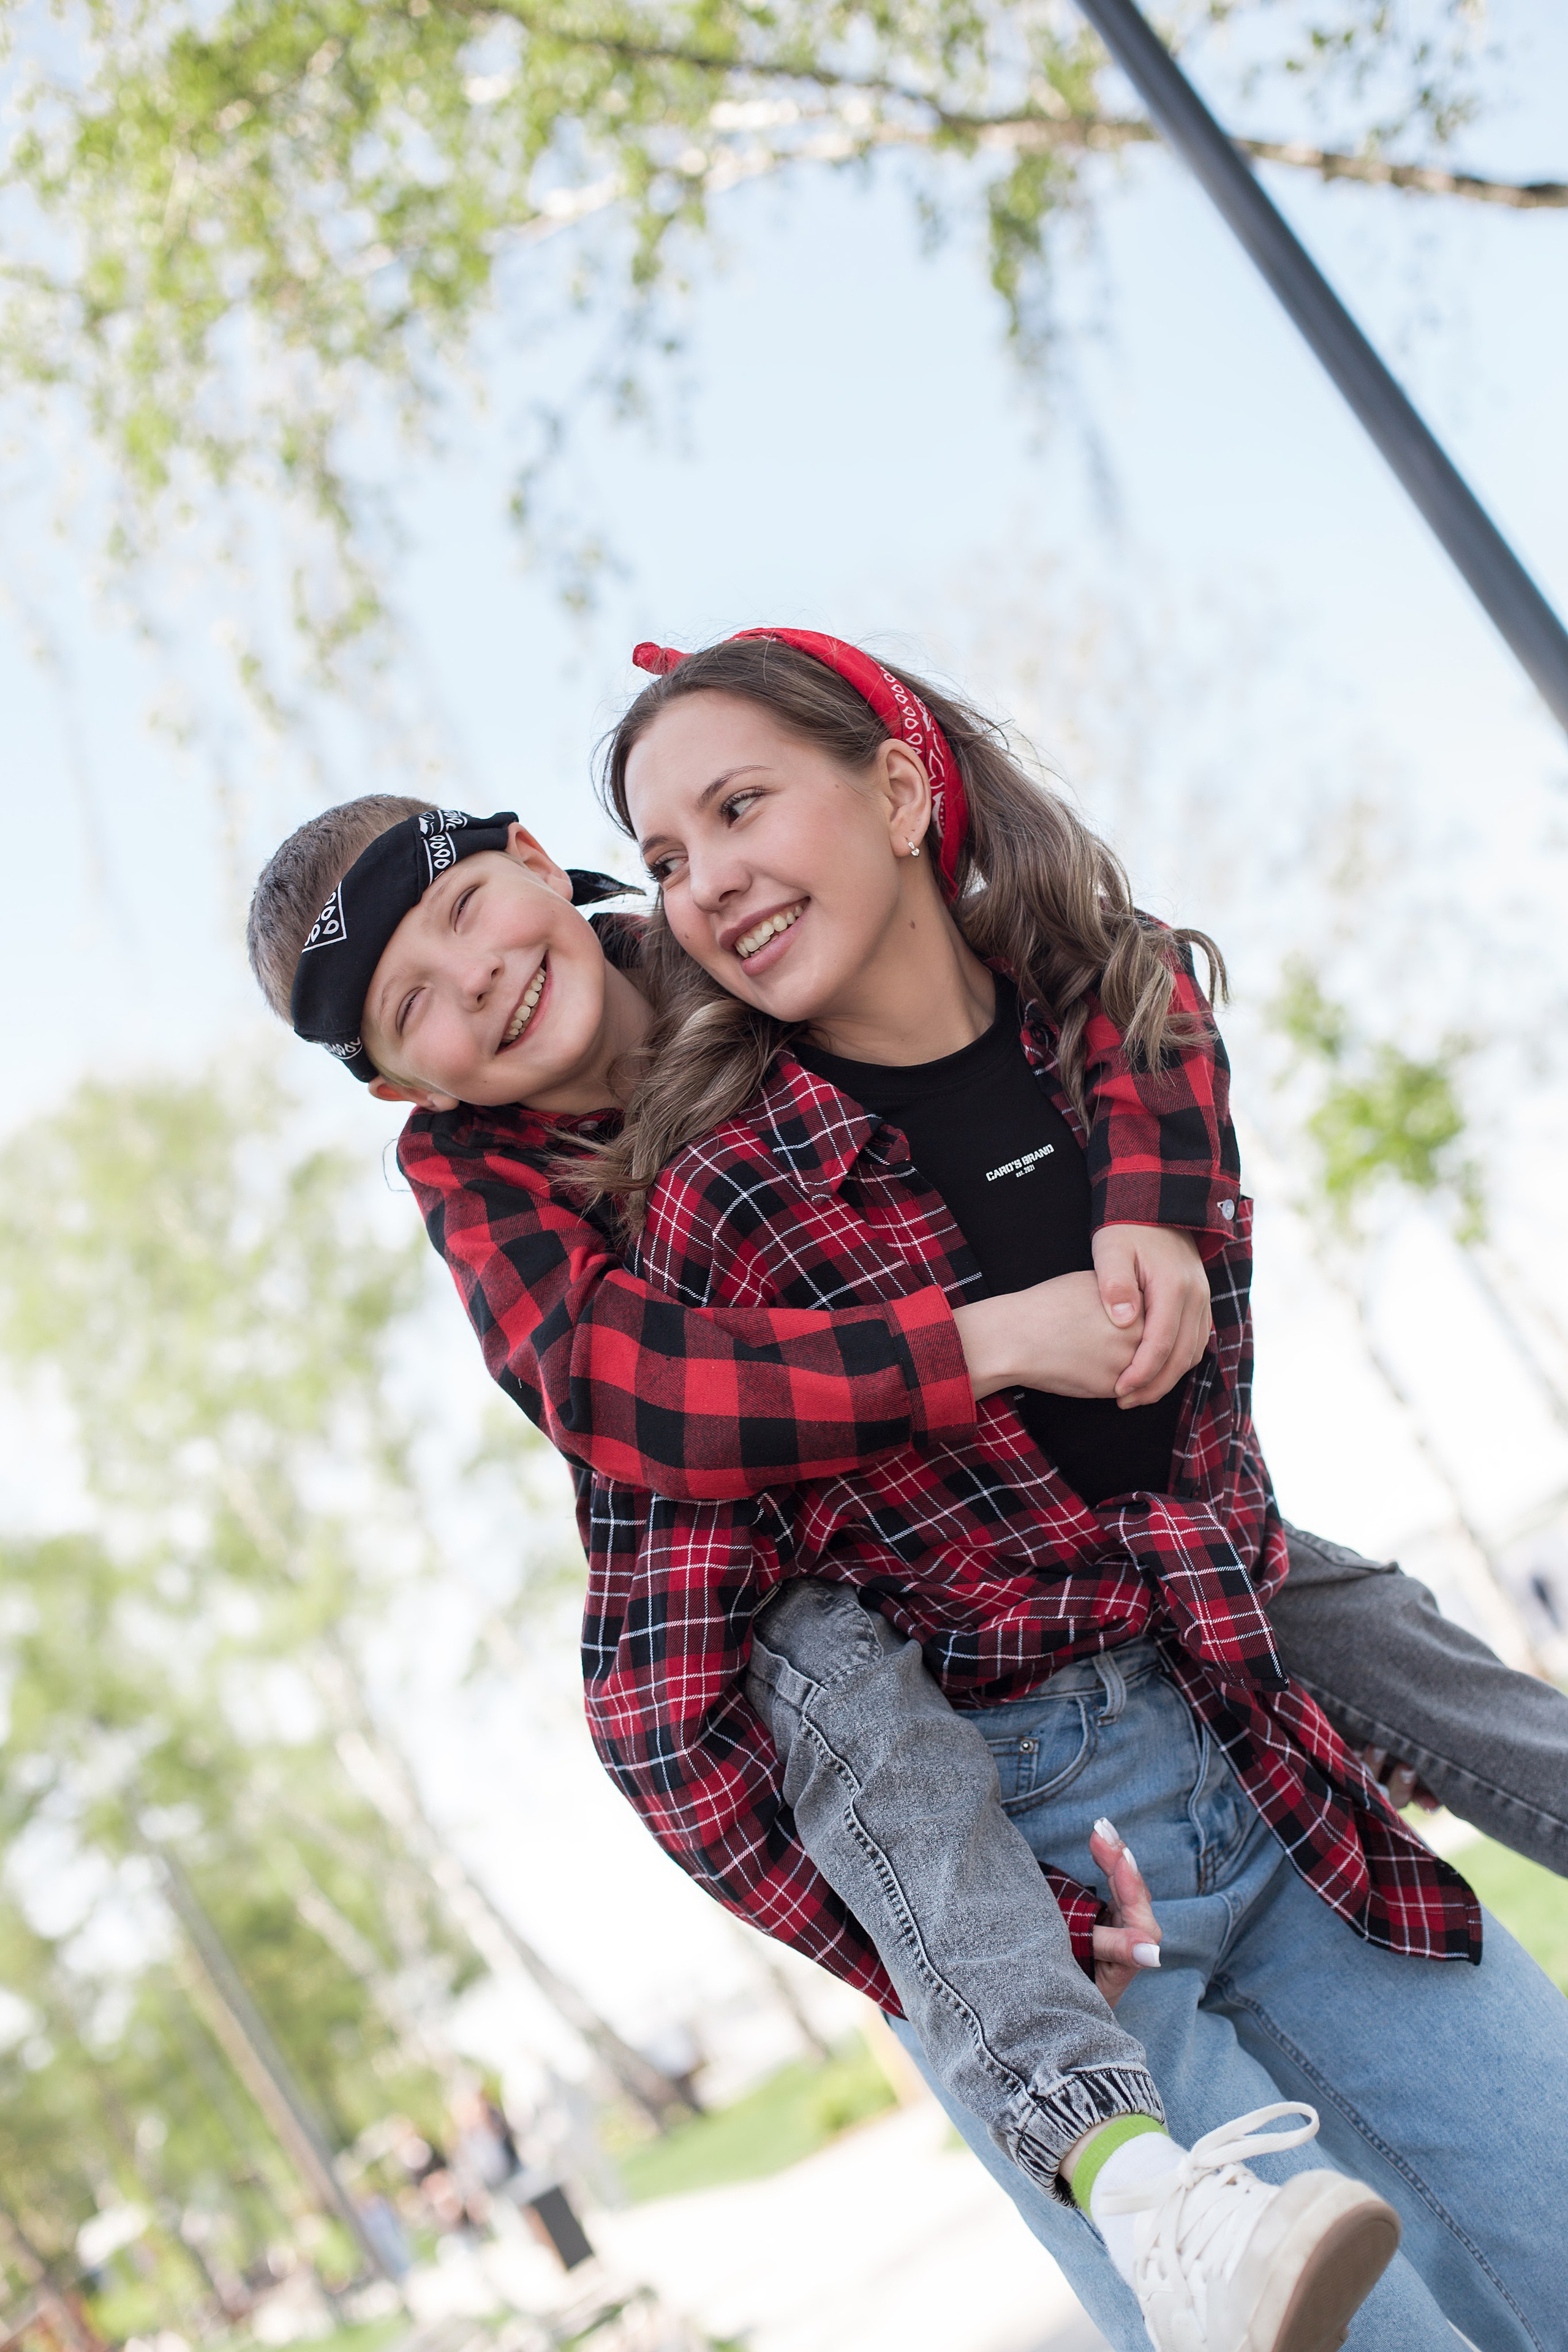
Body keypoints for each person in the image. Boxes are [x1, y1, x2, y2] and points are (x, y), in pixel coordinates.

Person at [248, 657, 1568, 2348]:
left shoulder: (754, 941)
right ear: (397, 1090)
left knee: (1382, 1657)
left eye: (468, 911)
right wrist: (949, 1970)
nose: (478, 982)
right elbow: (641, 1413)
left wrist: (1153, 1208)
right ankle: (1124, 2159)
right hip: (992, 1791)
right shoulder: (511, 1187)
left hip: (1192, 1655)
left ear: (530, 853)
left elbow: (1111, 973)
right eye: (413, 1004)